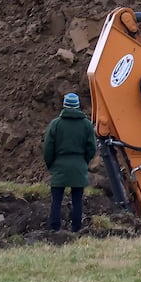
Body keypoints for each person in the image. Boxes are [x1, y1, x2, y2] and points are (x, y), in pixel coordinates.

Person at [43, 92, 97, 232]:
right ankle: (76, 229)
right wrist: (83, 161)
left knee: (56, 199)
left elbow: (48, 148)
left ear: (64, 105)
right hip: (78, 165)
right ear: (78, 106)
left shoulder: (55, 124)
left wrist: (51, 165)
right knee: (77, 200)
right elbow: (92, 147)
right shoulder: (86, 125)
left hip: (59, 165)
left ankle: (55, 229)